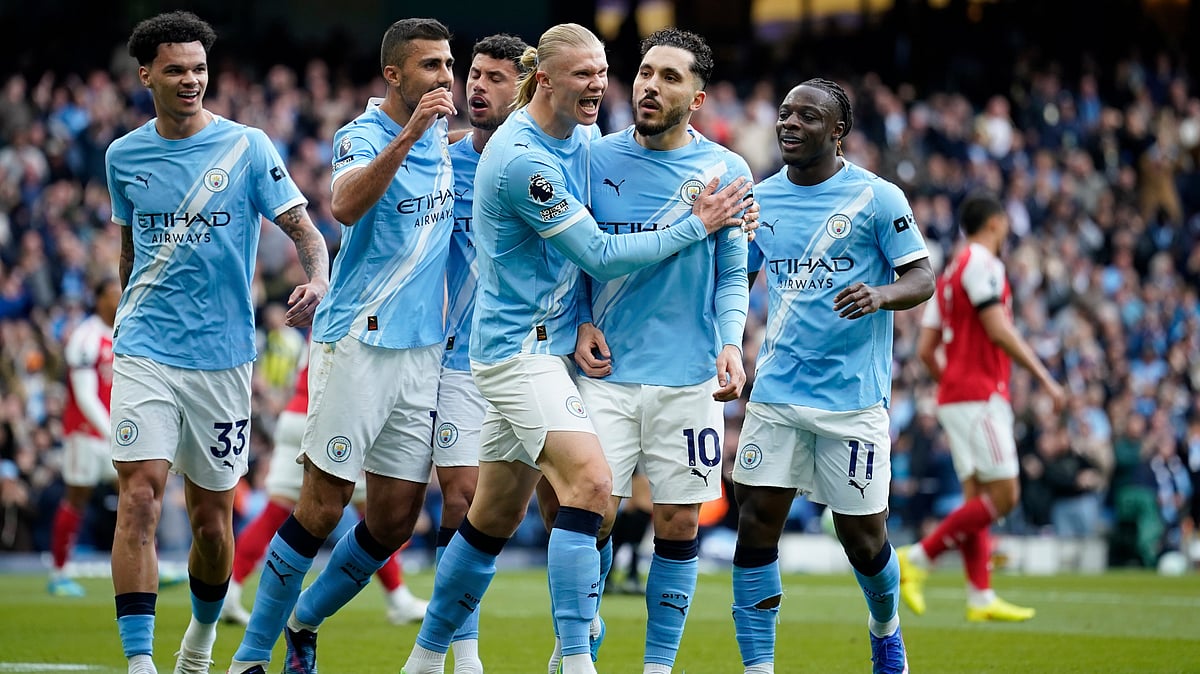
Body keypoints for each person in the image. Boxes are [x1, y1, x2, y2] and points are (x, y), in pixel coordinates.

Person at [400, 23, 754, 674]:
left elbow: (733, 269)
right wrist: (695, 223)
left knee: (488, 522)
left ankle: (425, 659)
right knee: (589, 487)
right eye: (594, 73)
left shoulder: (590, 145)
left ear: (699, 97)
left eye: (607, 71)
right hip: (524, 352)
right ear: (547, 80)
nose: (613, 84)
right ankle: (575, 660)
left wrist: (726, 330)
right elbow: (596, 253)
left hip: (587, 354)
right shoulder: (535, 157)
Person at [226, 17, 456, 674]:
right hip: (357, 342)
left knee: (392, 523)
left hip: (421, 352)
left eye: (448, 64)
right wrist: (410, 135)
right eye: (431, 66)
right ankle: (248, 659)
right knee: (321, 506)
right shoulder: (362, 135)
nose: (446, 78)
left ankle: (304, 622)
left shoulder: (445, 137)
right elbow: (345, 205)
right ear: (393, 75)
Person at [104, 11, 330, 674]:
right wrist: (126, 316)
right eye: (176, 69)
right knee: (140, 494)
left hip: (224, 358)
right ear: (146, 74)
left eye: (199, 68)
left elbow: (306, 230)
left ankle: (200, 638)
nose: (190, 80)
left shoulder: (249, 148)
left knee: (211, 522)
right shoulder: (124, 156)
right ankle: (140, 662)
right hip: (145, 346)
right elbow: (129, 251)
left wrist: (316, 276)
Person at [730, 78, 934, 674]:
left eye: (808, 117)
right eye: (785, 114)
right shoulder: (760, 200)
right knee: (755, 524)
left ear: (838, 131)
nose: (789, 124)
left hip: (852, 401)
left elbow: (922, 278)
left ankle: (885, 630)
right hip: (775, 394)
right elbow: (736, 283)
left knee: (863, 540)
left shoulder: (878, 198)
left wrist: (879, 295)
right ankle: (759, 667)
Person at [565, 27, 753, 674]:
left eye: (670, 77)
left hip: (689, 377)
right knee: (589, 515)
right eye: (646, 71)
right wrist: (581, 320)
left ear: (697, 98)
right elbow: (573, 263)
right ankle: (576, 640)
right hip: (606, 374)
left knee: (677, 522)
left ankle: (657, 667)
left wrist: (731, 344)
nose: (650, 85)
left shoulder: (728, 173)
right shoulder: (591, 157)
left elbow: (733, 275)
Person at [902, 191, 1066, 622]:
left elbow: (925, 349)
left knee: (976, 497)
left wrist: (951, 384)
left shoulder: (952, 271)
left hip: (958, 396)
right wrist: (1045, 377)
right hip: (980, 395)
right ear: (995, 223)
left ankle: (980, 597)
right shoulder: (982, 264)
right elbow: (998, 328)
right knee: (1006, 494)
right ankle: (917, 558)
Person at [422, 31, 531, 674]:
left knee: (577, 506)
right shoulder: (441, 160)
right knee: (459, 499)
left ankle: (578, 644)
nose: (477, 88)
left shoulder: (567, 160)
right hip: (457, 357)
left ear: (526, 89)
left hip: (538, 357)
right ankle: (461, 655)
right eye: (474, 75)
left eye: (495, 78)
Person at [219, 341, 428, 628]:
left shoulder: (324, 310)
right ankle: (397, 596)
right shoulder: (365, 311)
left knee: (275, 514)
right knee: (381, 518)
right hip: (332, 418)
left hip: (296, 414)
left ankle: (231, 590)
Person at [48, 277, 120, 597]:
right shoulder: (85, 337)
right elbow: (85, 395)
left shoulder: (126, 333)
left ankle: (149, 565)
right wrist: (113, 433)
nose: (119, 296)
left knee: (139, 495)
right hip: (86, 433)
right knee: (77, 496)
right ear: (99, 299)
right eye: (112, 292)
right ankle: (59, 572)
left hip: (118, 433)